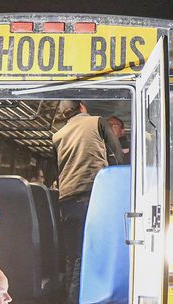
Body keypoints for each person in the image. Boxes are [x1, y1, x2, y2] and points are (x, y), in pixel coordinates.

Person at [52, 100, 123, 303]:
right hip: (92, 197)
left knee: (72, 257)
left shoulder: (57, 135)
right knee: (88, 256)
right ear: (82, 106)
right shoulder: (97, 122)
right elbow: (116, 156)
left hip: (65, 201)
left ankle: (68, 298)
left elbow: (56, 168)